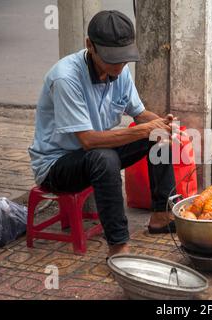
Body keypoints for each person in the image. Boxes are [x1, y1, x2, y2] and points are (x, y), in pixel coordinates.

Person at [28, 10, 180, 257]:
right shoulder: (66, 78)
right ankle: (118, 246)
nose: (119, 66)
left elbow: (140, 114)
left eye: (124, 59)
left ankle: (162, 215)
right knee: (104, 157)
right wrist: (143, 129)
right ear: (90, 46)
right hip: (57, 166)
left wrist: (164, 125)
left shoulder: (119, 71)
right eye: (112, 59)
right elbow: (88, 141)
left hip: (94, 153)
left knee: (159, 137)